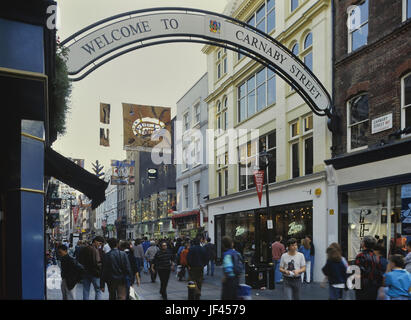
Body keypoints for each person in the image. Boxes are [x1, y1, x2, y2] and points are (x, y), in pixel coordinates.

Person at [354, 235, 384, 300]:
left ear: (364, 244)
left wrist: (356, 286)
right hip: (374, 286)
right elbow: (379, 273)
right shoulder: (377, 257)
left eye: (362, 241)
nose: (361, 242)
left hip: (363, 287)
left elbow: (358, 272)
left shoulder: (360, 256)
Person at [77, 236, 104, 300]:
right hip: (95, 273)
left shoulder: (85, 248)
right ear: (95, 242)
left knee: (86, 290)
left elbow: (80, 260)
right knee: (98, 290)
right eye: (99, 243)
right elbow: (97, 263)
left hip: (86, 272)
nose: (100, 245)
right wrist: (101, 270)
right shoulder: (95, 250)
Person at [221, 236, 242, 300]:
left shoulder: (227, 254)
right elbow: (241, 264)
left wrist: (225, 277)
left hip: (230, 279)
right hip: (236, 278)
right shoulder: (237, 253)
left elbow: (228, 267)